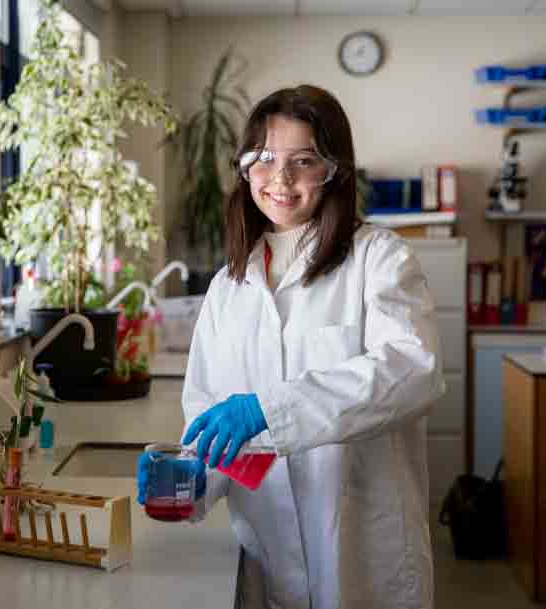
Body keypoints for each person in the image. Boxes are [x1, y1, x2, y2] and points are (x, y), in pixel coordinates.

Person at [137, 85, 445, 609]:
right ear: (243, 170)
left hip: (364, 553)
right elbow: (210, 417)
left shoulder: (378, 258)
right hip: (267, 552)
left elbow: (413, 370)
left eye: (303, 160)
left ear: (334, 171)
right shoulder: (228, 287)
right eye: (263, 159)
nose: (280, 179)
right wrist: (190, 480)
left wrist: (270, 410)